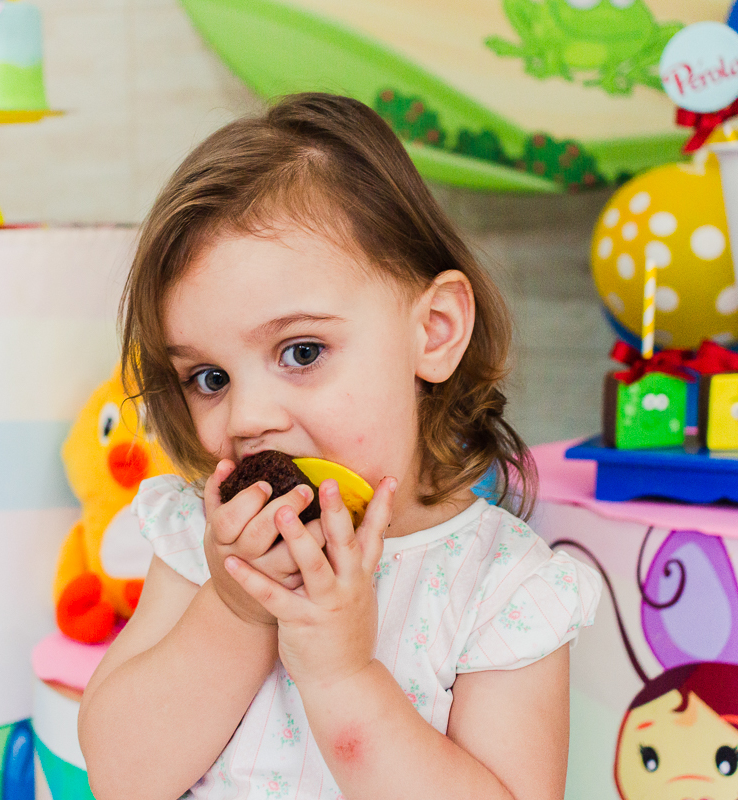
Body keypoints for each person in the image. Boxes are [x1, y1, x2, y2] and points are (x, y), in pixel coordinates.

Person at [78, 92, 601, 800]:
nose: (248, 416)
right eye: (209, 377)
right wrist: (235, 610)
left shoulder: (500, 588)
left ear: (435, 330)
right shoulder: (205, 544)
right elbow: (120, 777)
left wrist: (343, 677)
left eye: (301, 351)